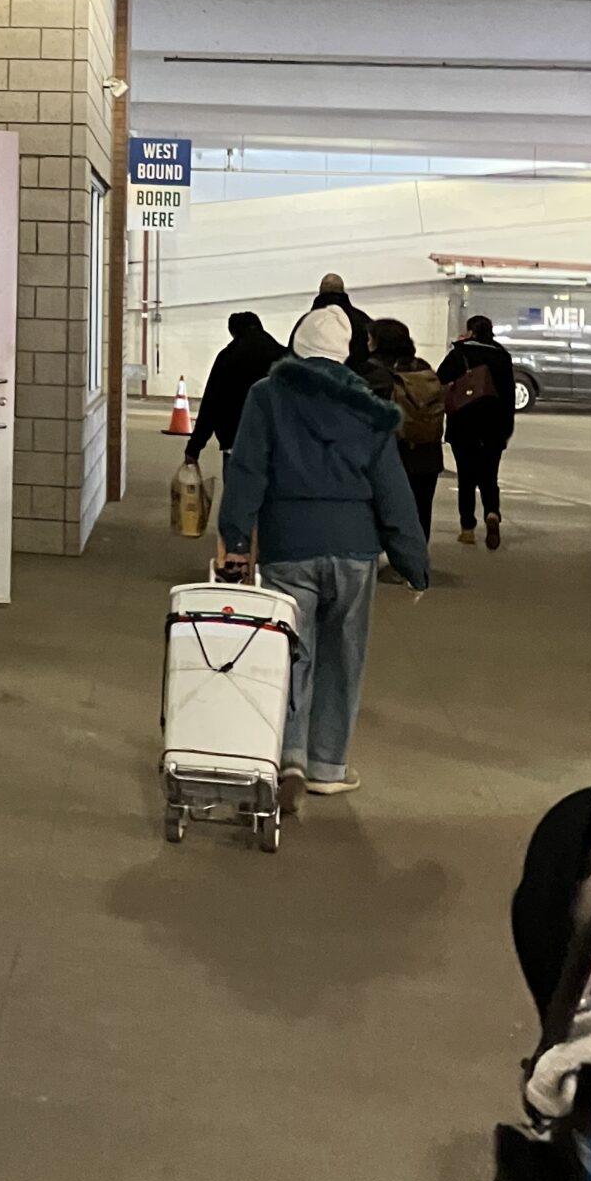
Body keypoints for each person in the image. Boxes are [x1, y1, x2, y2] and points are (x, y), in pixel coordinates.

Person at [220, 305, 429, 813]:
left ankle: (288, 757)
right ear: (344, 354)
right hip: (355, 551)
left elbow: (247, 470)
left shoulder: (267, 396)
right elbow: (392, 490)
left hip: (289, 547)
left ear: (298, 346)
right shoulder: (370, 407)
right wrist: (412, 560)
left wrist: (236, 539)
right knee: (344, 658)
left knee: (292, 653)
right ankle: (328, 768)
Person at [438, 312, 516, 548]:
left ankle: (467, 528)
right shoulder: (502, 357)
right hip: (494, 426)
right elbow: (509, 395)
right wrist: (506, 428)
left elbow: (439, 378)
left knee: (467, 478)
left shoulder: (460, 353)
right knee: (489, 476)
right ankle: (492, 513)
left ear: (471, 331)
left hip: (464, 425)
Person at [364, 317, 447, 539]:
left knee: (384, 513)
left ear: (378, 341)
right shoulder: (423, 369)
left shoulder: (373, 373)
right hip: (427, 454)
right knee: (421, 512)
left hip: (391, 455)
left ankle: (392, 564)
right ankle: (417, 564)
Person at [182, 312, 285, 474]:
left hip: (235, 439)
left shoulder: (227, 356)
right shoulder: (282, 355)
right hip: (275, 442)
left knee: (237, 494)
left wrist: (194, 447)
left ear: (234, 332)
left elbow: (212, 403)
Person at [289, 271, 373, 374]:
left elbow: (292, 355)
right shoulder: (362, 319)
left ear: (320, 291)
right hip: (358, 381)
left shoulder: (305, 323)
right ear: (342, 291)